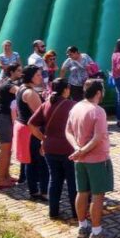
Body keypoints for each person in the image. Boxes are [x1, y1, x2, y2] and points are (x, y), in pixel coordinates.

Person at [66, 79, 113, 238]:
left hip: (80, 159)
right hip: (97, 159)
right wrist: (82, 150)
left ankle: (82, 226)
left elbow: (68, 131)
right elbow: (98, 137)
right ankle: (96, 231)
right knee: (98, 196)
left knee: (82, 192)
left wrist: (77, 149)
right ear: (99, 93)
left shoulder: (76, 107)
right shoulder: (98, 111)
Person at [28, 78, 78, 219]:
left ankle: (53, 212)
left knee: (54, 180)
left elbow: (31, 124)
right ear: (66, 89)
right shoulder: (72, 105)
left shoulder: (46, 104)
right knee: (72, 182)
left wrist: (43, 138)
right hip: (68, 149)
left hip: (50, 148)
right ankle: (76, 213)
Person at [16, 65, 49, 201]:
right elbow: (40, 115)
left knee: (30, 160)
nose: (41, 77)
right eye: (38, 75)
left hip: (24, 128)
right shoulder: (30, 93)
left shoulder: (22, 89)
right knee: (39, 161)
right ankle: (40, 191)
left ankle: (33, 190)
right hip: (31, 131)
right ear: (30, 76)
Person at [0, 63, 22, 188]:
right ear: (11, 72)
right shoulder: (9, 85)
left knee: (8, 149)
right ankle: (0, 179)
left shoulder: (8, 82)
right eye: (18, 71)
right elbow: (19, 91)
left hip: (6, 118)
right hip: (4, 118)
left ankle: (6, 175)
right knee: (5, 149)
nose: (20, 73)